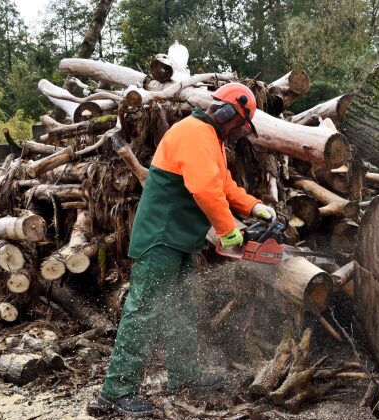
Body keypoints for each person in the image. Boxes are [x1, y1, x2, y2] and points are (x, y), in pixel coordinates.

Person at [94, 83, 276, 417]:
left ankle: (183, 374)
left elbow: (223, 185)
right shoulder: (194, 133)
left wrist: (254, 207)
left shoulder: (211, 140)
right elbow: (204, 189)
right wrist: (229, 231)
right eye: (239, 124)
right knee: (144, 310)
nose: (238, 133)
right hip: (161, 236)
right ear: (226, 114)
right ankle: (114, 393)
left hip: (178, 239)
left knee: (184, 306)